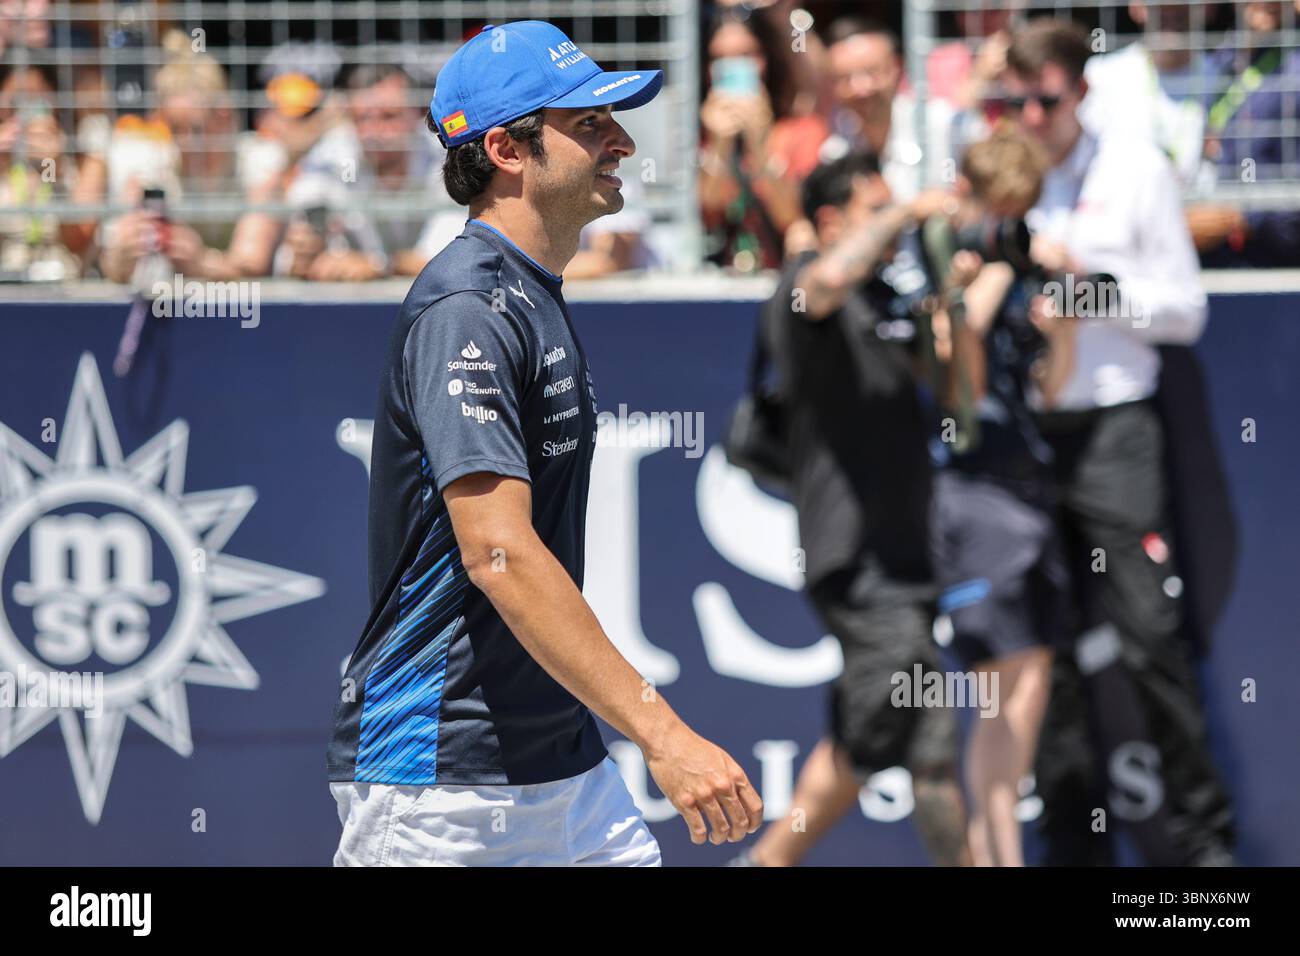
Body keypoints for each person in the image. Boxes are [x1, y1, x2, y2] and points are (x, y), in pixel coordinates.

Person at [327, 20, 762, 867]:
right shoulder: (468, 308)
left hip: (560, 769)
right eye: (591, 124)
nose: (622, 142)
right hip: (442, 783)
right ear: (507, 150)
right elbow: (498, 555)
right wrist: (663, 736)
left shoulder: (525, 292)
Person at [1002, 18, 1233, 866]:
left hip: (1114, 428)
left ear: (1081, 91)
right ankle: (1071, 848)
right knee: (1044, 656)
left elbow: (1184, 309)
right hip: (1027, 432)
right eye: (1015, 101)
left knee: (1148, 639)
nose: (1031, 116)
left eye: (1046, 99)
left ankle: (1206, 854)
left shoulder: (1135, 168)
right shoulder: (1009, 173)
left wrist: (1083, 292)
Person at [731, 150, 969, 867]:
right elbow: (829, 277)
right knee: (875, 731)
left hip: (909, 562)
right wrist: (908, 210)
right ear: (831, 220)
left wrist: (950, 299)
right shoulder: (805, 294)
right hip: (857, 562)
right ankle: (767, 861)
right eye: (876, 209)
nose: (893, 227)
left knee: (929, 756)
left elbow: (956, 398)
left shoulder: (886, 305)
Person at [923, 127, 1073, 866]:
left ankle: (999, 850)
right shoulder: (944, 270)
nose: (1008, 226)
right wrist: (981, 281)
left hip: (1029, 488)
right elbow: (961, 380)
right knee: (994, 689)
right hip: (974, 492)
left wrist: (1062, 323)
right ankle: (995, 856)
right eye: (998, 209)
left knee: (1032, 681)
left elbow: (1051, 388)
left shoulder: (1021, 274)